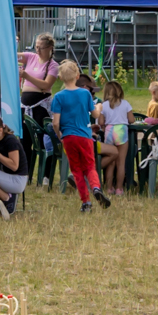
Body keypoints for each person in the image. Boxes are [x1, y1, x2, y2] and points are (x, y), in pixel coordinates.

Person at [48, 59, 106, 210]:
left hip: (68, 137)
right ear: (78, 76)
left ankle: (86, 202)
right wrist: (99, 106)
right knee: (89, 166)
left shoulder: (58, 97)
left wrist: (59, 135)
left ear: (60, 78)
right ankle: (96, 188)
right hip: (85, 136)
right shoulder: (85, 94)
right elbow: (94, 113)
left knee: (76, 170)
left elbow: (55, 123)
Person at [97, 79, 132, 193]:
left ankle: (108, 188)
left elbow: (101, 122)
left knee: (111, 162)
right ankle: (119, 188)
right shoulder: (125, 103)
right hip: (121, 131)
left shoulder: (104, 105)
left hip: (109, 131)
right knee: (121, 163)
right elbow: (131, 119)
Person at [19, 35, 56, 119]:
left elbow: (46, 85)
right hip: (25, 104)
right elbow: (13, 56)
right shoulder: (30, 57)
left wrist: (27, 76)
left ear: (50, 48)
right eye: (36, 47)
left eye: (41, 48)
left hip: (41, 105)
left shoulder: (53, 66)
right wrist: (14, 44)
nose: (38, 51)